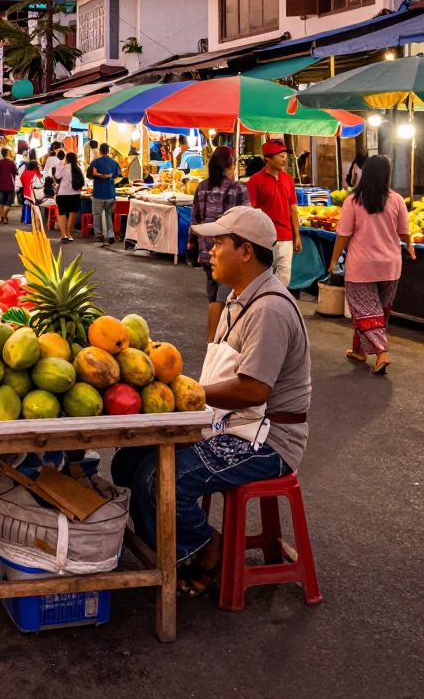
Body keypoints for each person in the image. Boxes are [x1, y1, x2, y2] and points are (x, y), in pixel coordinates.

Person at [111, 206, 311, 597]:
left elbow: (254, 391)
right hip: (230, 422)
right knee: (128, 461)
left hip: (266, 440)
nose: (210, 252)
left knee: (157, 479)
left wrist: (187, 394)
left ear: (246, 251)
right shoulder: (237, 299)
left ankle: (208, 549)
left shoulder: (269, 308)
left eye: (218, 244)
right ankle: (170, 551)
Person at [328, 154, 413, 376]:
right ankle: (359, 350)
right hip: (390, 266)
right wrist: (410, 245)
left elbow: (343, 235)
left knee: (366, 312)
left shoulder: (353, 200)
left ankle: (381, 353)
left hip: (361, 266)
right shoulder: (396, 200)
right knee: (377, 312)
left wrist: (333, 260)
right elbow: (404, 231)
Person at [189, 146, 251, 342]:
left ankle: (213, 340)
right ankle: (216, 342)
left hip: (207, 251)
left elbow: (195, 220)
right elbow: (246, 221)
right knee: (223, 298)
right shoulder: (237, 189)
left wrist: (192, 244)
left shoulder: (201, 187)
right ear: (229, 164)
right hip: (229, 251)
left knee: (214, 295)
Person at [246, 140, 301, 287]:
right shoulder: (255, 181)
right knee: (262, 277)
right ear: (268, 158)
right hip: (264, 238)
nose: (284, 159)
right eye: (280, 155)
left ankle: (276, 304)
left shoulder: (289, 180)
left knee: (284, 278)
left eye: (285, 156)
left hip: (286, 237)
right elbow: (251, 212)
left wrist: (297, 235)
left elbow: (293, 208)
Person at [87, 142, 121, 246]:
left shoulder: (95, 162)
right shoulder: (114, 162)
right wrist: (107, 176)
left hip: (98, 193)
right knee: (108, 215)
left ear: (100, 151)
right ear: (108, 151)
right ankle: (110, 235)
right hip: (110, 193)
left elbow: (89, 176)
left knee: (97, 215)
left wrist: (98, 175)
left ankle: (99, 236)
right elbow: (117, 175)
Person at [55, 150, 85, 242]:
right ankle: (69, 234)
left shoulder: (63, 168)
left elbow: (57, 177)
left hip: (63, 194)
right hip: (75, 194)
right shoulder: (78, 168)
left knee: (62, 213)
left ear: (67, 159)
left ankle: (63, 235)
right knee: (73, 213)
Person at [0, 147, 19, 224]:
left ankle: (1, 217)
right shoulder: (11, 163)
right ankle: (4, 216)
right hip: (9, 185)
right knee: (8, 203)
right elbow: (16, 172)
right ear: (8, 153)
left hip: (0, 185)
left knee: (1, 202)